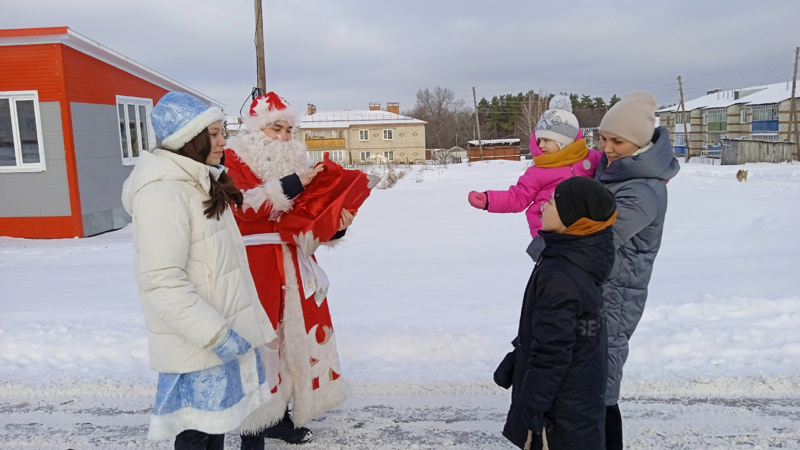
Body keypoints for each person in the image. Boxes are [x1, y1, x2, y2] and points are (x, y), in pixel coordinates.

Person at [121, 91, 277, 449]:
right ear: (188, 138)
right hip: (201, 342)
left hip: (219, 334)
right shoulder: (163, 193)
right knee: (198, 437)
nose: (224, 141)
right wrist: (217, 336)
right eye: (215, 133)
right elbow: (162, 282)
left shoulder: (198, 182)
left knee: (215, 429)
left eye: (223, 132)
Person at [223, 92, 351, 445]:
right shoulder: (233, 159)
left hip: (294, 264)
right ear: (255, 129)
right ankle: (254, 427)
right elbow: (245, 207)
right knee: (261, 341)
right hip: (255, 265)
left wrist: (335, 225)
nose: (283, 136)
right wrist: (296, 183)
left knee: (293, 341)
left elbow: (304, 221)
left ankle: (280, 416)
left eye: (288, 129)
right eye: (275, 128)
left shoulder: (296, 166)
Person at [495, 176, 618, 450]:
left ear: (570, 220)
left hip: (560, 410)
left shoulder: (562, 274)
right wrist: (519, 359)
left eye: (550, 203)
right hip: (575, 398)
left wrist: (533, 406)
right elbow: (555, 333)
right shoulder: (572, 256)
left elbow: (554, 351)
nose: (542, 207)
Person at [594, 91, 680, 450]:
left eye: (617, 141)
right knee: (588, 384)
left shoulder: (643, 191)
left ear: (640, 143)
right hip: (600, 289)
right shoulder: (617, 175)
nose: (607, 148)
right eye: (603, 138)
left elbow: (595, 239)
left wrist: (543, 246)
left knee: (602, 386)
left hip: (616, 296)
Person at [467, 95, 602, 261]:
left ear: (565, 142)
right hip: (548, 237)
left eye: (547, 140)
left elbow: (616, 158)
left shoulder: (590, 159)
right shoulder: (538, 171)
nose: (541, 146)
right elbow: (517, 197)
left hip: (585, 234)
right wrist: (489, 200)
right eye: (539, 140)